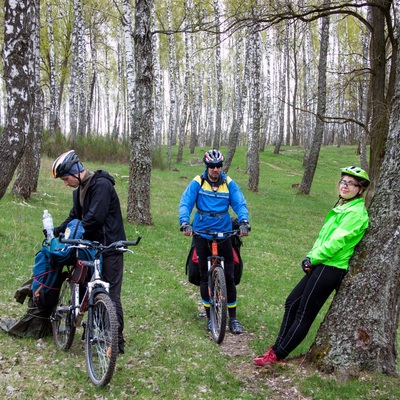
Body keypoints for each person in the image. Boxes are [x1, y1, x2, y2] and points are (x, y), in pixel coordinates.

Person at [253, 166, 370, 366]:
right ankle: (276, 347)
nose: (345, 186)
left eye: (351, 184)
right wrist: (310, 257)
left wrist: (313, 259)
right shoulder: (343, 208)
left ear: (360, 190)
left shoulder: (356, 214)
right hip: (320, 262)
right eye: (343, 181)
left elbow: (336, 242)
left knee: (304, 313)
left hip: (331, 267)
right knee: (291, 303)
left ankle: (278, 355)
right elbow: (324, 238)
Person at [51, 150, 127, 354]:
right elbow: (74, 216)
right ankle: (93, 328)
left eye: (66, 179)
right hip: (91, 248)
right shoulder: (79, 191)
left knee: (111, 294)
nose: (66, 184)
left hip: (110, 247)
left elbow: (95, 218)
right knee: (88, 288)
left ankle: (116, 340)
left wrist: (75, 233)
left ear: (76, 171)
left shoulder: (101, 184)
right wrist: (58, 231)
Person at [179, 149, 250, 334]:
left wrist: (243, 221)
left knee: (230, 277)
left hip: (224, 230)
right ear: (207, 166)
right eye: (212, 166)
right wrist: (185, 222)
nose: (215, 170)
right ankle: (210, 316)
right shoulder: (198, 182)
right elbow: (186, 202)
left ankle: (233, 318)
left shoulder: (228, 182)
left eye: (218, 166)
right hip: (202, 231)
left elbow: (239, 202)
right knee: (204, 275)